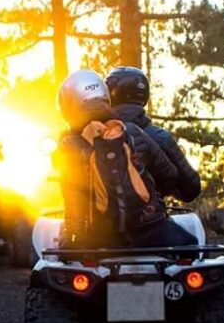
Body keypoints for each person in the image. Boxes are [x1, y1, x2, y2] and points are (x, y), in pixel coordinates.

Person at [53, 70, 196, 249]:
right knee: (192, 245)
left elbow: (73, 199)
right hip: (151, 230)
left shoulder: (69, 146)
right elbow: (170, 175)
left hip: (100, 238)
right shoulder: (132, 130)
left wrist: (73, 239)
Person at [105, 66, 202, 203]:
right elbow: (191, 189)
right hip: (152, 220)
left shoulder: (92, 134)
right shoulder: (161, 137)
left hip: (102, 222)